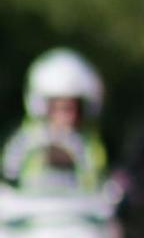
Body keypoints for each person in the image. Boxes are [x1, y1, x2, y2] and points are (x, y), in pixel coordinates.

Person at [3, 48, 110, 190]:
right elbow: (8, 176)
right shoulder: (26, 140)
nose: (69, 116)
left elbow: (99, 182)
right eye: (62, 109)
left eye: (75, 108)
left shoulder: (89, 144)